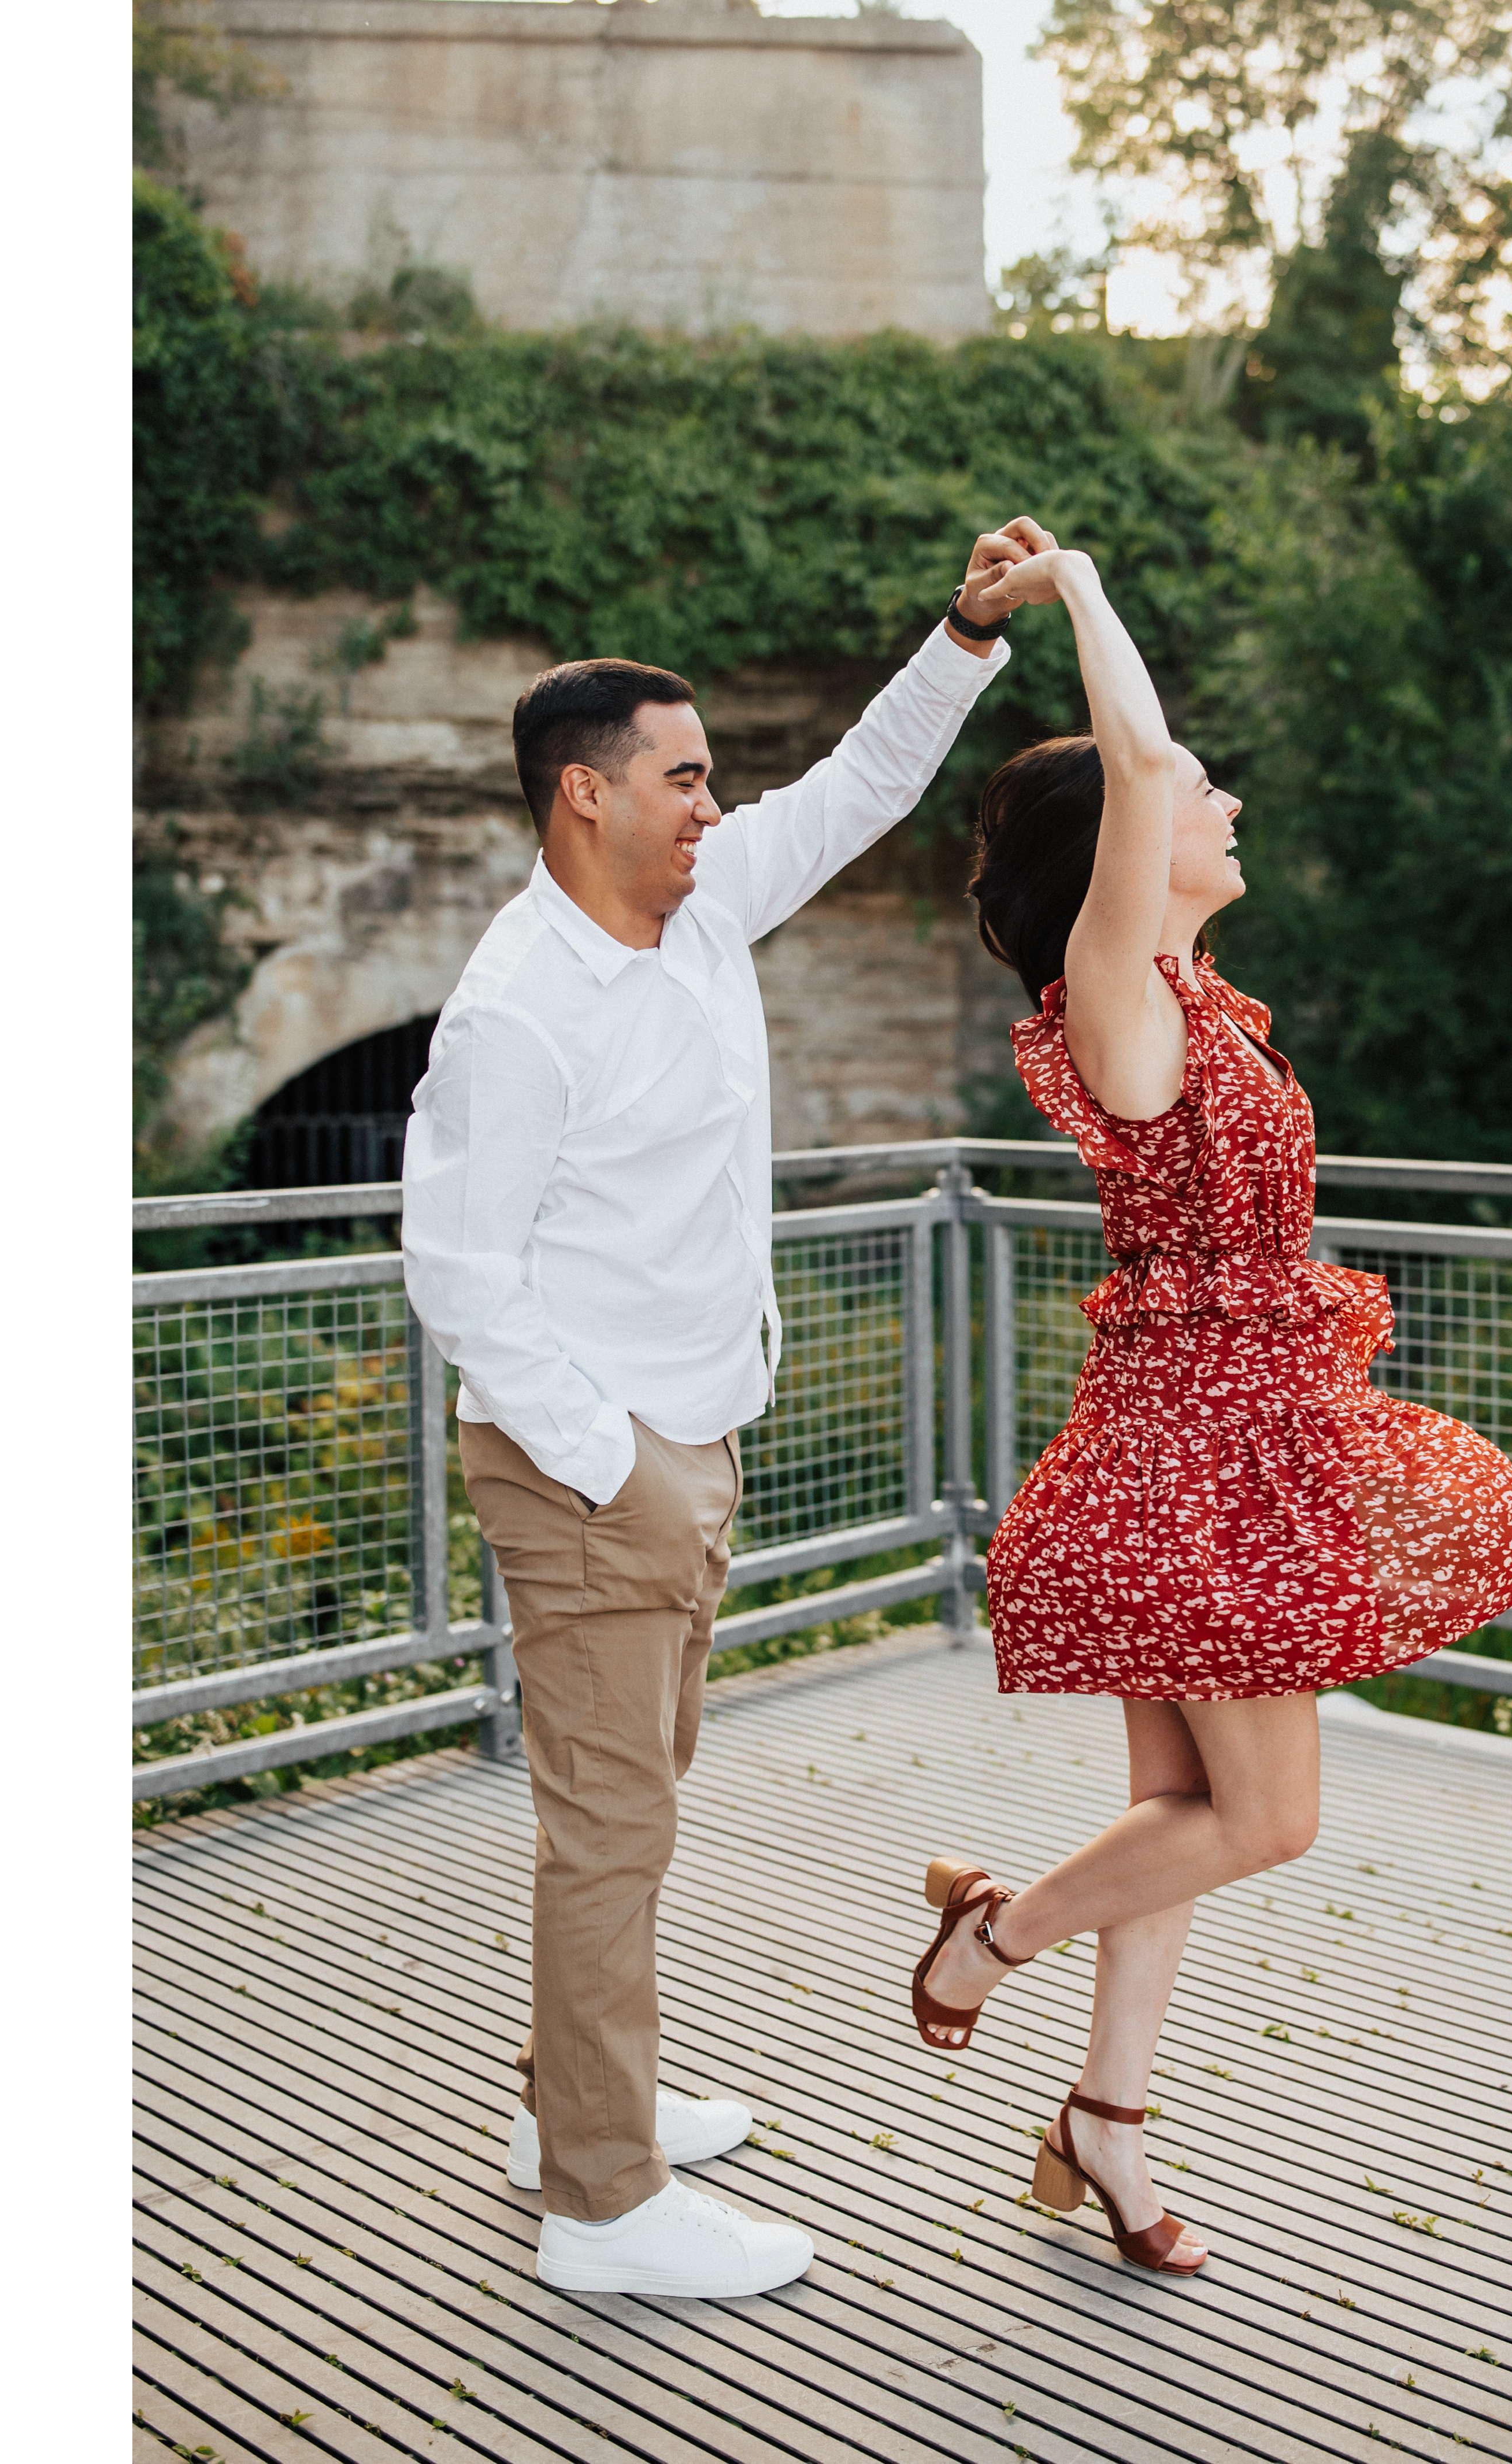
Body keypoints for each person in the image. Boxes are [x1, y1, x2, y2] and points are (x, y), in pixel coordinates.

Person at [403, 520, 1048, 2299]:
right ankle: (603, 2207)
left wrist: (964, 633)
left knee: (632, 1806)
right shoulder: (518, 1013)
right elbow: (459, 1271)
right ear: (584, 797)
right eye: (684, 778)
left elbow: (860, 787)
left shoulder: (697, 911)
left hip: (684, 1438)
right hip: (592, 1467)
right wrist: (614, 1466)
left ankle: (567, 2107)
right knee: (611, 1830)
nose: (714, 804)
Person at [909, 544, 1512, 2276]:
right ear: (1127, 844)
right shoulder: (1118, 1005)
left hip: (1231, 1441)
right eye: (1201, 789)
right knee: (1268, 1820)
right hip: (1192, 1462)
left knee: (1178, 1820)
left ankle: (1106, 2129)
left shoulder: (1205, 1009)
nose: (1224, 797)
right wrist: (1079, 587)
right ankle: (994, 1934)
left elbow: (1152, 782)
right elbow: (1133, 756)